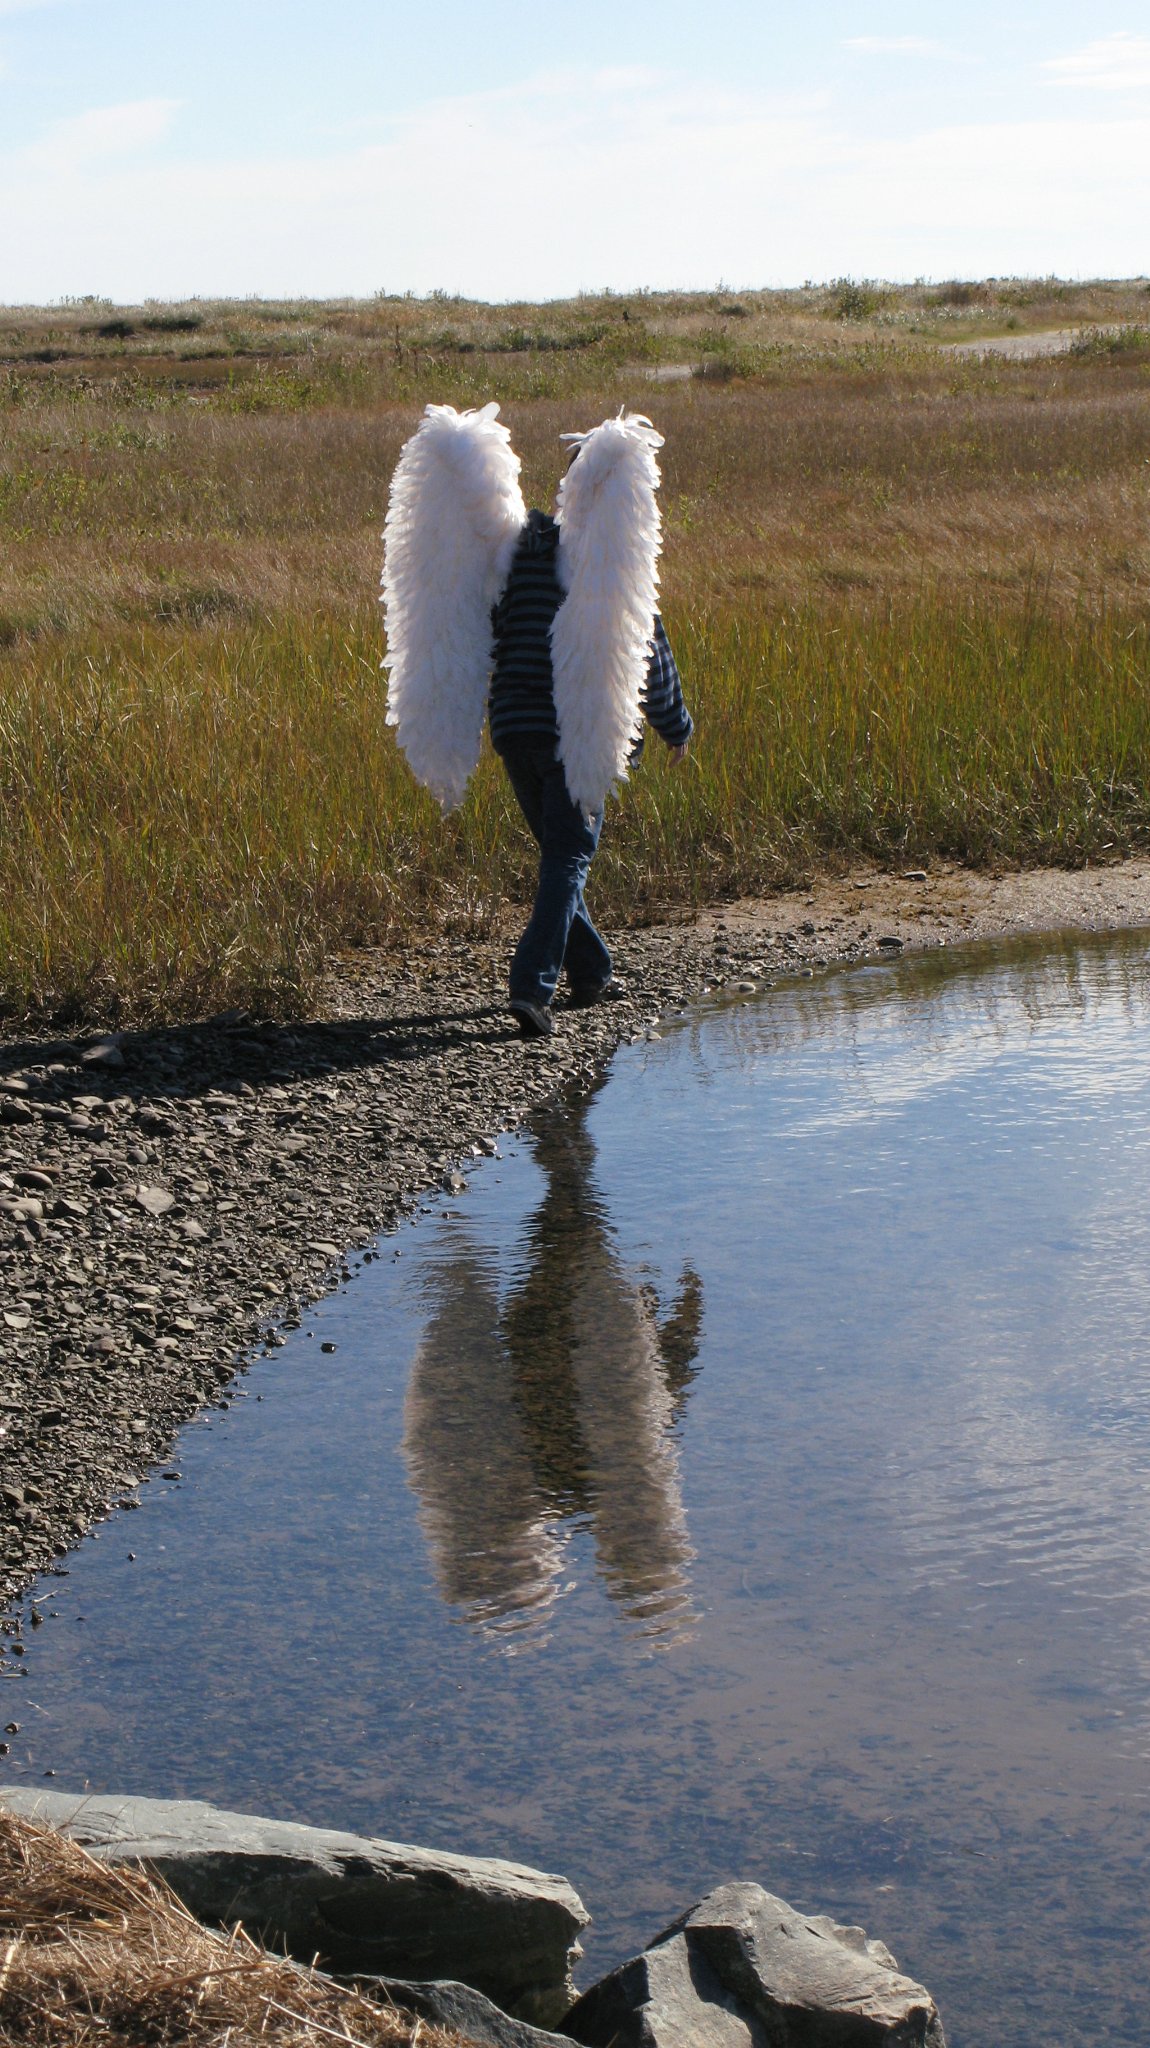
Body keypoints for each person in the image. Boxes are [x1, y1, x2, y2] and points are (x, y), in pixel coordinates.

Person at [489, 502, 693, 1038]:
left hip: (514, 729)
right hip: (578, 732)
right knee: (568, 857)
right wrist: (676, 727)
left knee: (561, 857)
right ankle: (531, 989)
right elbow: (645, 647)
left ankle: (592, 971)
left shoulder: (517, 554)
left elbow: (487, 631)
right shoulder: (612, 560)